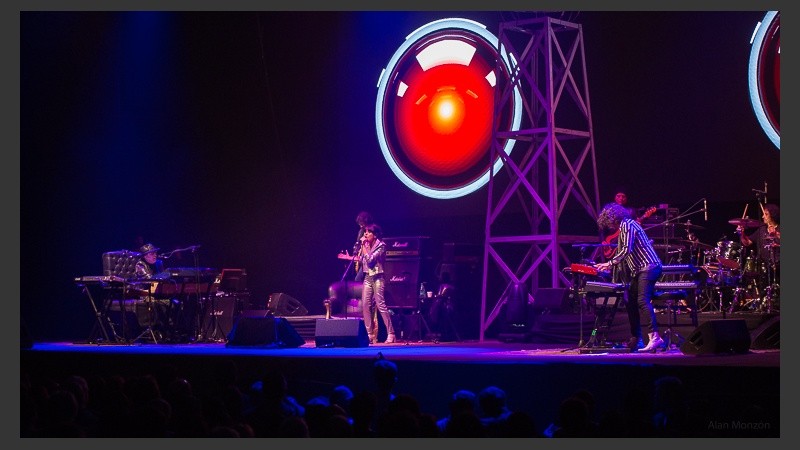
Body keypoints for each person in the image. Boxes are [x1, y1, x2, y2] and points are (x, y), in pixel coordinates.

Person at [594, 202, 664, 352]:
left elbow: (626, 250)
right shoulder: (626, 226)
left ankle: (655, 337)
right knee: (630, 301)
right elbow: (624, 254)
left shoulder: (627, 225)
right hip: (641, 270)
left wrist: (609, 264)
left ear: (613, 219)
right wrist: (609, 267)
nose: (610, 227)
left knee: (641, 301)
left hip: (648, 266)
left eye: (609, 223)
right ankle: (636, 339)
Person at [359, 223, 396, 344]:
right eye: (365, 231)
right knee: (365, 304)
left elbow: (370, 260)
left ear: (374, 235)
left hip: (378, 277)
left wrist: (364, 247)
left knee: (380, 305)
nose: (365, 234)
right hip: (368, 277)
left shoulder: (381, 246)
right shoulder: (366, 245)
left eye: (369, 232)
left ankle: (391, 333)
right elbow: (362, 260)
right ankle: (369, 335)